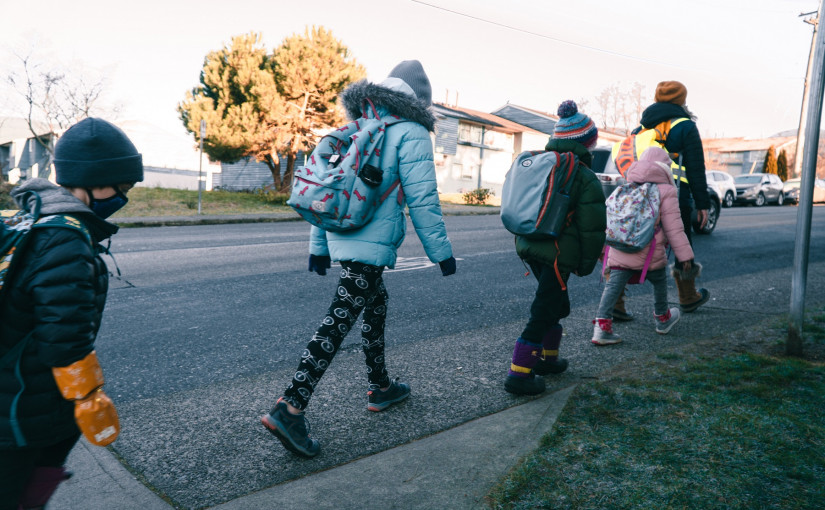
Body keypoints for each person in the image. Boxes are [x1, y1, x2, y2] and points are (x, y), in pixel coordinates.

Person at [261, 60, 456, 458]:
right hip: (371, 243)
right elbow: (422, 197)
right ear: (419, 101)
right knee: (338, 321)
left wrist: (318, 246)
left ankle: (380, 386)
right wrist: (442, 253)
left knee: (376, 303)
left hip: (342, 231)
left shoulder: (360, 126)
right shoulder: (412, 131)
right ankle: (290, 407)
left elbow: (327, 191)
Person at [0, 117, 143, 509]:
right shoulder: (64, 238)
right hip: (26, 414)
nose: (124, 197)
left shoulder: (32, 220)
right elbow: (63, 341)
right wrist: (89, 398)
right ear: (93, 181)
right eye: (122, 187)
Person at [504, 100, 606, 396]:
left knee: (557, 304)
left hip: (528, 244)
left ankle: (547, 360)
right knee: (545, 308)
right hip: (558, 253)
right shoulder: (583, 175)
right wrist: (586, 264)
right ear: (587, 142)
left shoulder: (540, 164)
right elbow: (591, 227)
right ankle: (519, 374)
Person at [616, 81, 710, 318]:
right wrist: (703, 204)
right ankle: (688, 296)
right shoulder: (685, 126)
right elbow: (696, 168)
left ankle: (616, 302)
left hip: (640, 196)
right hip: (676, 196)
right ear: (682, 101)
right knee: (680, 242)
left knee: (632, 243)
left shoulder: (641, 129)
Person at [592, 147, 697, 345]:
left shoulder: (626, 185)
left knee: (613, 285)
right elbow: (674, 228)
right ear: (665, 168)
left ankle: (602, 328)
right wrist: (685, 256)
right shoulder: (666, 191)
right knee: (658, 281)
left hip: (620, 249)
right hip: (650, 251)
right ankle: (662, 319)